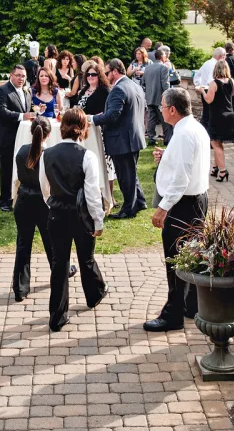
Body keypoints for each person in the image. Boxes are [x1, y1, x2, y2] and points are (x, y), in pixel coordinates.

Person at [144, 88, 210, 332]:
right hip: (197, 201)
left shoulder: (183, 134)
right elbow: (186, 166)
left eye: (162, 106)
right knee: (190, 257)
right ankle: (190, 305)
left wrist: (162, 208)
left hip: (183, 205)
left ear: (172, 109)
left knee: (176, 260)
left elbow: (181, 179)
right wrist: (167, 157)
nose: (160, 110)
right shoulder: (194, 128)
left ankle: (172, 316)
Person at [40, 108, 107, 332]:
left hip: (57, 214)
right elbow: (92, 194)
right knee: (86, 258)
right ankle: (94, 295)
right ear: (83, 129)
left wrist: (53, 202)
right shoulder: (87, 156)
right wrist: (98, 222)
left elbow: (44, 187)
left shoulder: (47, 154)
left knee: (59, 265)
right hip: (81, 216)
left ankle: (57, 317)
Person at [13, 116, 77, 302]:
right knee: (52, 243)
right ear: (49, 134)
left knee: (23, 245)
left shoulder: (21, 152)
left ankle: (20, 288)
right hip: (43, 202)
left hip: (24, 200)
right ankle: (59, 275)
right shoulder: (49, 155)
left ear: (31, 131)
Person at [91, 59, 147, 219]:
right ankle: (140, 201)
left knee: (125, 176)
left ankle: (128, 209)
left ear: (115, 71)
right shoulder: (133, 85)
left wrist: (92, 119)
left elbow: (113, 115)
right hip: (133, 136)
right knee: (131, 172)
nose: (105, 76)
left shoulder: (118, 89)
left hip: (122, 139)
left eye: (107, 73)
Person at [0, 65, 34, 212]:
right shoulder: (2, 91)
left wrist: (37, 109)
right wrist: (22, 116)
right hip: (7, 138)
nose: (21, 78)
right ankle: (4, 200)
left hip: (23, 137)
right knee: (6, 170)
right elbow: (1, 111)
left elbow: (28, 109)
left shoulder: (27, 92)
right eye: (18, 75)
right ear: (11, 75)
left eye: (23, 76)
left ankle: (19, 197)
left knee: (22, 168)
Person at [77, 61, 117, 201]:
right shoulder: (83, 90)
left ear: (99, 75)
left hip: (99, 129)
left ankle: (109, 197)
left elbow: (107, 112)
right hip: (84, 132)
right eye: (88, 74)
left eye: (94, 74)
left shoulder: (105, 91)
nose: (90, 77)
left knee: (105, 164)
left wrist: (92, 117)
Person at [201, 61, 234, 182]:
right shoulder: (232, 82)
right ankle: (215, 167)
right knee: (219, 143)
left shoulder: (214, 83)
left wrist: (202, 91)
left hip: (217, 116)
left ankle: (222, 170)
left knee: (215, 143)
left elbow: (209, 100)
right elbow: (232, 93)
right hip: (229, 114)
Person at [143, 46, 174, 146]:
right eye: (165, 56)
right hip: (160, 97)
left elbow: (143, 82)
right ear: (161, 57)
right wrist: (168, 96)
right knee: (165, 118)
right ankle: (167, 139)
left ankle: (151, 138)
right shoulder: (164, 67)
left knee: (151, 118)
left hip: (149, 96)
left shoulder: (147, 68)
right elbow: (165, 84)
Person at [193, 47, 226, 128]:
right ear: (221, 56)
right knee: (210, 116)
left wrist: (201, 86)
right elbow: (212, 81)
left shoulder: (206, 63)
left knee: (206, 113)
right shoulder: (216, 65)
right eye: (224, 56)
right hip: (212, 91)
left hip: (205, 90)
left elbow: (196, 77)